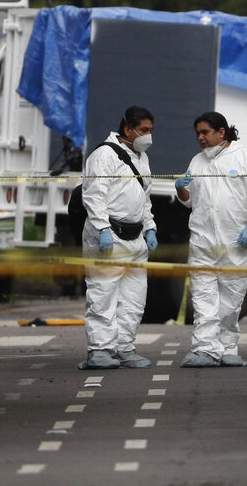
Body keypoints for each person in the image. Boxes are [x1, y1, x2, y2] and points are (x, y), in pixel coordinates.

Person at [175, 111, 247, 367]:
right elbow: (189, 202)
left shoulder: (245, 158)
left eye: (205, 132)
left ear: (221, 132)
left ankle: (228, 347)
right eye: (198, 133)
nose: (200, 138)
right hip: (202, 239)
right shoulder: (197, 162)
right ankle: (205, 349)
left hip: (234, 239)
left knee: (231, 296)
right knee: (203, 295)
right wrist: (180, 187)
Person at [78, 106, 159, 370]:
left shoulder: (141, 158)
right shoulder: (104, 155)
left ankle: (124, 348)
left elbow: (143, 198)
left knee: (134, 299)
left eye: (150, 130)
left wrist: (150, 228)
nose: (148, 136)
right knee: (103, 295)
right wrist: (102, 229)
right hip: (110, 234)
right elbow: (93, 195)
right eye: (144, 130)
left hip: (135, 238)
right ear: (128, 129)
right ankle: (100, 349)